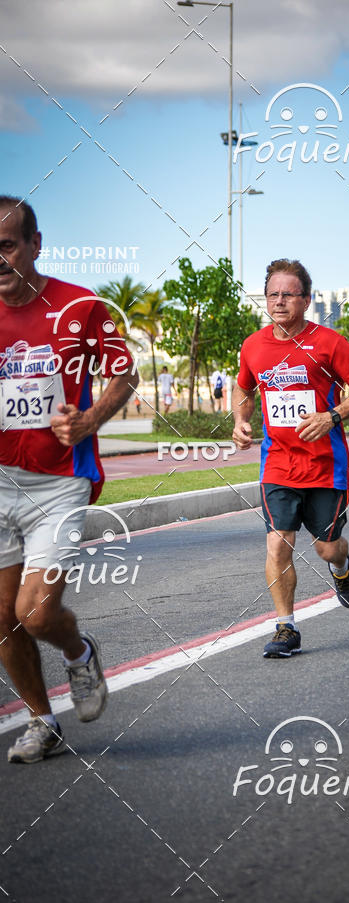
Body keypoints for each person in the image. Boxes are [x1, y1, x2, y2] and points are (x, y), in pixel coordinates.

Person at [0, 196, 138, 763]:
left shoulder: (80, 308)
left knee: (34, 614)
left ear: (36, 244)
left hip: (59, 482)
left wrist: (89, 420)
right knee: (2, 618)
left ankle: (79, 653)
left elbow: (124, 373)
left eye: (8, 246)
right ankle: (40, 720)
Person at [232, 259, 349, 659]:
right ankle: (286, 627)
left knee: (326, 548)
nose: (279, 302)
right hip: (277, 463)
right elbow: (243, 389)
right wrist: (241, 421)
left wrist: (331, 416)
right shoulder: (254, 345)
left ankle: (342, 567)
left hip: (324, 466)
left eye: (288, 294)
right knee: (278, 545)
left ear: (307, 300)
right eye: (272, 294)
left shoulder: (329, 343)